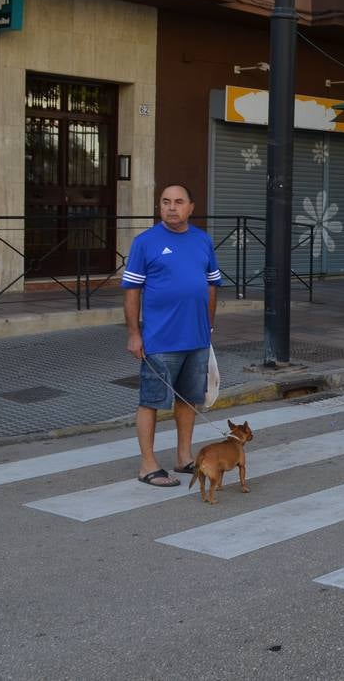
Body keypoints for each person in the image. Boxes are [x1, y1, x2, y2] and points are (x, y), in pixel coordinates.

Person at [123, 184, 222, 488]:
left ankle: (183, 457)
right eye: (166, 202)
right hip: (160, 340)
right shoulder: (145, 242)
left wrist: (209, 327)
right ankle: (147, 465)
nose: (171, 207)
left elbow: (211, 285)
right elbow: (132, 291)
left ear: (191, 207)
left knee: (189, 399)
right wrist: (134, 334)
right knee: (151, 401)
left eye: (179, 202)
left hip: (197, 338)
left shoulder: (203, 241)